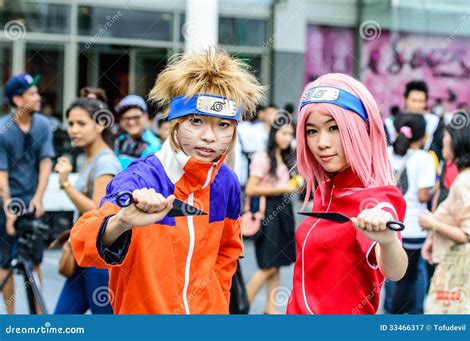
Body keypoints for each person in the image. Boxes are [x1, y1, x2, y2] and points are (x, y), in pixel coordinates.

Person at [70, 48, 264, 314]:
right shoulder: (139, 178)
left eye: (223, 125)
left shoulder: (226, 182)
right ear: (174, 122)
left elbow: (227, 252)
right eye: (196, 121)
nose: (210, 136)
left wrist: (217, 304)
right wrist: (121, 222)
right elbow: (82, 244)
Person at [287, 73, 408, 314]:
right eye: (312, 131)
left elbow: (395, 270)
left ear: (360, 130)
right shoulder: (326, 191)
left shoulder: (374, 198)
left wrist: (388, 240)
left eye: (334, 128)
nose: (322, 142)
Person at [54, 98, 121, 314]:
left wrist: (65, 183)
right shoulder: (89, 158)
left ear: (100, 124)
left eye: (81, 124)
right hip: (84, 252)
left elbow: (96, 210)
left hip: (98, 257)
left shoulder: (105, 162)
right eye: (71, 124)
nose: (73, 130)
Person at [0, 73, 55, 314]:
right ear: (17, 99)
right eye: (32, 93)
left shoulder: (43, 124)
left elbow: (45, 163)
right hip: (6, 201)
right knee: (4, 261)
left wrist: (38, 197)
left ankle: (39, 316)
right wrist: (9, 208)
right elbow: (1, 173)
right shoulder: (3, 129)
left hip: (32, 202)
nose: (38, 97)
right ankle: (10, 317)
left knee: (35, 261)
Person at [419, 112, 470, 313]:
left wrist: (431, 224)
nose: (443, 140)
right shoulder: (467, 177)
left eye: (447, 135)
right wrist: (433, 239)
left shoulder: (465, 181)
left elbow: (469, 236)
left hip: (461, 277)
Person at [245, 113, 298, 314]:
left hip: (283, 211)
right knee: (268, 263)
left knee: (278, 263)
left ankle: (270, 309)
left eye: (290, 134)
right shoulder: (262, 157)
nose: (287, 138)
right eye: (284, 133)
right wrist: (282, 188)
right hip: (269, 212)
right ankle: (242, 305)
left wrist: (293, 186)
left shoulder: (283, 156)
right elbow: (250, 189)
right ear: (274, 132)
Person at [385, 113, 436, 314]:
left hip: (389, 226)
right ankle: (410, 320)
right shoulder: (425, 158)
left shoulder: (386, 153)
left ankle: (390, 315)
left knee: (390, 276)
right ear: (423, 136)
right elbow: (423, 196)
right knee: (411, 277)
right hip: (414, 229)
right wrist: (435, 187)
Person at [114, 95, 161, 169]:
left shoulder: (154, 145)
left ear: (145, 116)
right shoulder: (120, 140)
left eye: (136, 117)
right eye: (126, 118)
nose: (131, 122)